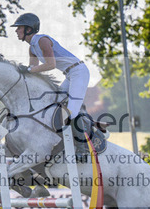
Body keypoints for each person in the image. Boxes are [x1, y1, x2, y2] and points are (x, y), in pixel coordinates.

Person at [10, 13, 91, 152]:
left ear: (28, 29)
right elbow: (33, 71)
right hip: (69, 75)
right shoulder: (32, 48)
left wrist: (29, 70)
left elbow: (51, 64)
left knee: (71, 112)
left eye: (19, 28)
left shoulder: (42, 40)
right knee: (54, 104)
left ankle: (82, 147)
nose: (16, 31)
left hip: (79, 72)